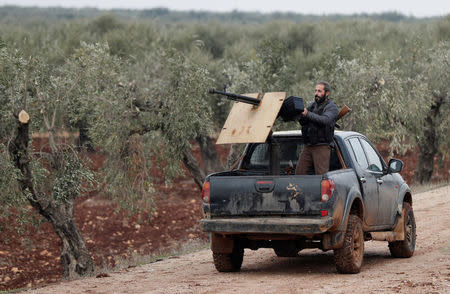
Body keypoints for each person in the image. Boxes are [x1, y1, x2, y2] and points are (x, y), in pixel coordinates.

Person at [295, 81, 339, 175]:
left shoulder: (332, 107)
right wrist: (299, 115)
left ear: (327, 93)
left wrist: (307, 114)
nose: (316, 94)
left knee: (321, 177)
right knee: (298, 174)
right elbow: (304, 122)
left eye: (319, 91)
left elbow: (325, 120)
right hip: (308, 146)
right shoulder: (312, 105)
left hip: (322, 146)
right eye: (315, 91)